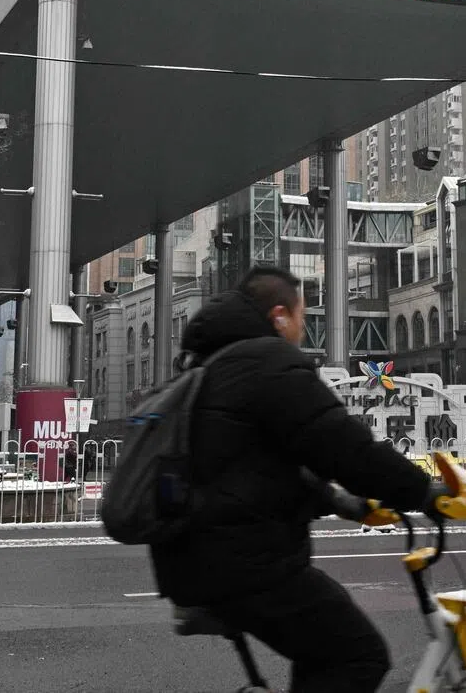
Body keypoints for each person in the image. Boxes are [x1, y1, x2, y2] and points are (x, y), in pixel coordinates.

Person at [150, 264, 445, 693]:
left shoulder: (213, 364)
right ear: (279, 316)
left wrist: (347, 504)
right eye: (302, 318)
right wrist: (424, 492)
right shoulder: (269, 362)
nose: (303, 332)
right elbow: (346, 448)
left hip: (196, 558)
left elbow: (262, 468)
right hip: (243, 562)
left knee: (321, 655)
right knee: (358, 655)